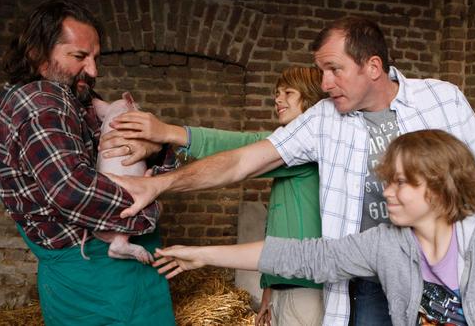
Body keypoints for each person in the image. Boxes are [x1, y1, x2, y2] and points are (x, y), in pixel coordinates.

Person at [104, 17, 475, 325]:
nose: (325, 83)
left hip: (451, 272)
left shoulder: (443, 99)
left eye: (334, 70)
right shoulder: (323, 120)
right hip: (369, 280)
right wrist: (159, 184)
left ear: (372, 66)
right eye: (320, 72)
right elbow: (245, 159)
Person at [152, 129, 475, 326]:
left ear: (441, 189)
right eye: (387, 179)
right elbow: (306, 257)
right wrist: (202, 254)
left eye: (402, 183)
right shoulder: (387, 244)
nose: (387, 191)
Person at [0, 0, 176, 325]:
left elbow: (147, 140)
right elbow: (72, 191)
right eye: (79, 57)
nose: (93, 71)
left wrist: (154, 149)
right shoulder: (41, 106)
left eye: (95, 58)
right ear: (36, 53)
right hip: (93, 278)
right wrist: (151, 201)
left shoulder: (72, 95)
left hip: (106, 271)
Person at [107, 66, 328, 326]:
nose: (278, 99)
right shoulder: (289, 150)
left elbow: (237, 149)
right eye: (276, 93)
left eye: (288, 93)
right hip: (286, 285)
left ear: (312, 98)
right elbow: (281, 232)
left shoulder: (311, 148)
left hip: (305, 290)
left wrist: (168, 132)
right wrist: (269, 290)